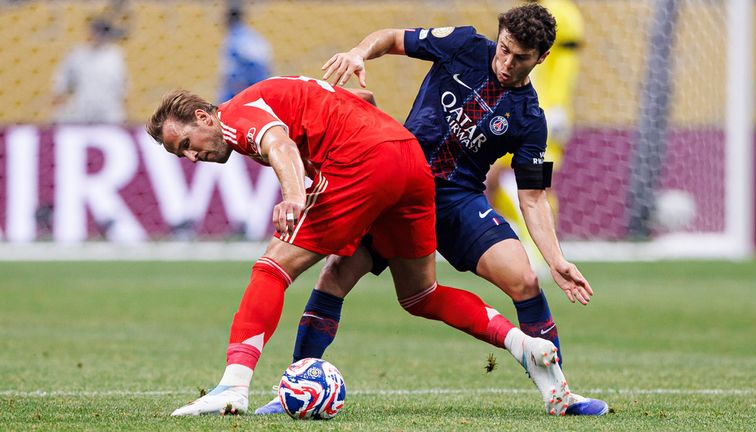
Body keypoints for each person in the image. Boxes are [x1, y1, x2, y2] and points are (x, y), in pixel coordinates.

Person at [255, 3, 608, 416]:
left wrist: (556, 259)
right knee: (334, 276)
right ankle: (295, 390)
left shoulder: (531, 119)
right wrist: (358, 53)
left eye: (521, 58)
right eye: (505, 49)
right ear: (498, 37)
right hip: (397, 183)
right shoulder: (463, 44)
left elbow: (532, 197)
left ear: (541, 58)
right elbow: (390, 38)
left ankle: (559, 393)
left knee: (526, 281)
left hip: (457, 200)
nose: (507, 63)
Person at [147, 77, 574, 417]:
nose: (190, 158)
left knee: (272, 268)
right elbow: (361, 95)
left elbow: (278, 143)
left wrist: (294, 195)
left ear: (203, 116)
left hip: (361, 162)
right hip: (409, 161)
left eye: (185, 144)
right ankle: (524, 346)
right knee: (420, 294)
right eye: (178, 155)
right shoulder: (266, 98)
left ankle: (233, 386)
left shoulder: (236, 116)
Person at [486, 0, 584, 268]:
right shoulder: (543, 11)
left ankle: (538, 250)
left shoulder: (561, 13)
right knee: (498, 178)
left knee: (534, 184)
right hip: (531, 111)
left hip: (543, 115)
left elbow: (563, 68)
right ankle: (527, 239)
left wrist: (556, 108)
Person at [51, 16, 127, 124]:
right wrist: (58, 100)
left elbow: (121, 85)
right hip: (82, 106)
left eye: (104, 33)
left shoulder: (115, 54)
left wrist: (123, 107)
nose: (101, 36)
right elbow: (61, 80)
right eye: (98, 32)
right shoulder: (77, 54)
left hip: (108, 108)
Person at [218, 2, 273, 102]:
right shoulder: (252, 36)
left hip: (241, 88)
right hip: (246, 87)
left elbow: (255, 66)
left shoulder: (238, 38)